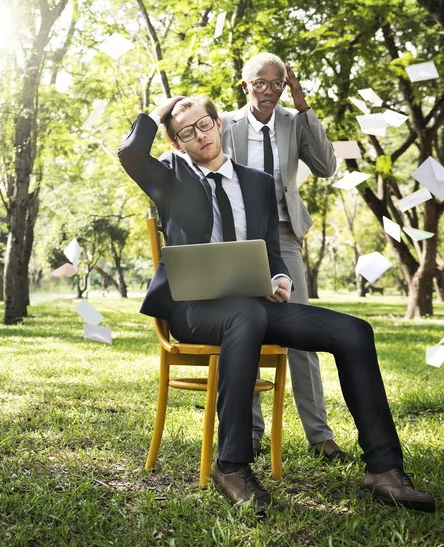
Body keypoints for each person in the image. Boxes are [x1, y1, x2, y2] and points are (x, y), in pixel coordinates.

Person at [117, 95, 436, 512]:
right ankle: (231, 466)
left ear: (217, 123)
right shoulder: (171, 177)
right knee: (245, 314)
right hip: (194, 310)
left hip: (253, 306)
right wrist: (162, 112)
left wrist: (280, 278)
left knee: (354, 331)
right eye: (187, 133)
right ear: (178, 143)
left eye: (205, 124)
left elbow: (271, 251)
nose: (200, 136)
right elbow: (129, 152)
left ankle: (384, 470)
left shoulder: (257, 182)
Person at [221, 53, 347, 462]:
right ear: (246, 86)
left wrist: (304, 104)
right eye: (261, 83)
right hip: (240, 238)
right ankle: (253, 433)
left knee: (301, 330)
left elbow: (327, 166)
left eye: (278, 84)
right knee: (247, 329)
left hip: (285, 233)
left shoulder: (294, 121)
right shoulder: (225, 125)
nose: (270, 91)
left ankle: (320, 436)